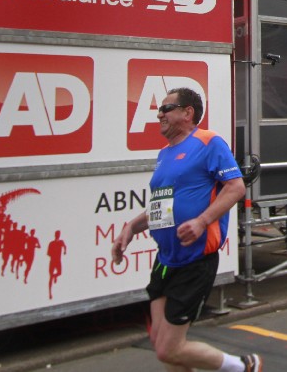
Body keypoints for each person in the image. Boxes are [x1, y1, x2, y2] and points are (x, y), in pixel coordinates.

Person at [111, 88, 261, 372]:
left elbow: (236, 188)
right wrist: (131, 227)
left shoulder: (208, 142)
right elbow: (162, 207)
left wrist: (202, 221)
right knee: (162, 344)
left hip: (195, 261)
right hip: (166, 260)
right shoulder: (164, 154)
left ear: (187, 112)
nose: (159, 114)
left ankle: (242, 366)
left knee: (169, 348)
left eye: (166, 108)